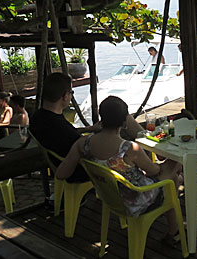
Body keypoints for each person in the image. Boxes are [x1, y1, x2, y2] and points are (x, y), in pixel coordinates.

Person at [56, 96, 183, 245]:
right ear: (124, 122)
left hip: (110, 198)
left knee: (172, 178)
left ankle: (174, 229)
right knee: (174, 167)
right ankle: (174, 229)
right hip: (135, 200)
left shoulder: (83, 143)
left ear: (101, 119)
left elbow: (61, 174)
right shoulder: (129, 148)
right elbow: (154, 171)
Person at [30, 73, 143, 183]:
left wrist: (88, 129)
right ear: (65, 96)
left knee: (115, 123)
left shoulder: (38, 117)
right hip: (85, 169)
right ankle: (147, 142)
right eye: (71, 92)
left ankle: (145, 140)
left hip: (62, 163)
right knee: (123, 116)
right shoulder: (59, 126)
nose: (71, 95)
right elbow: (84, 147)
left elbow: (69, 135)